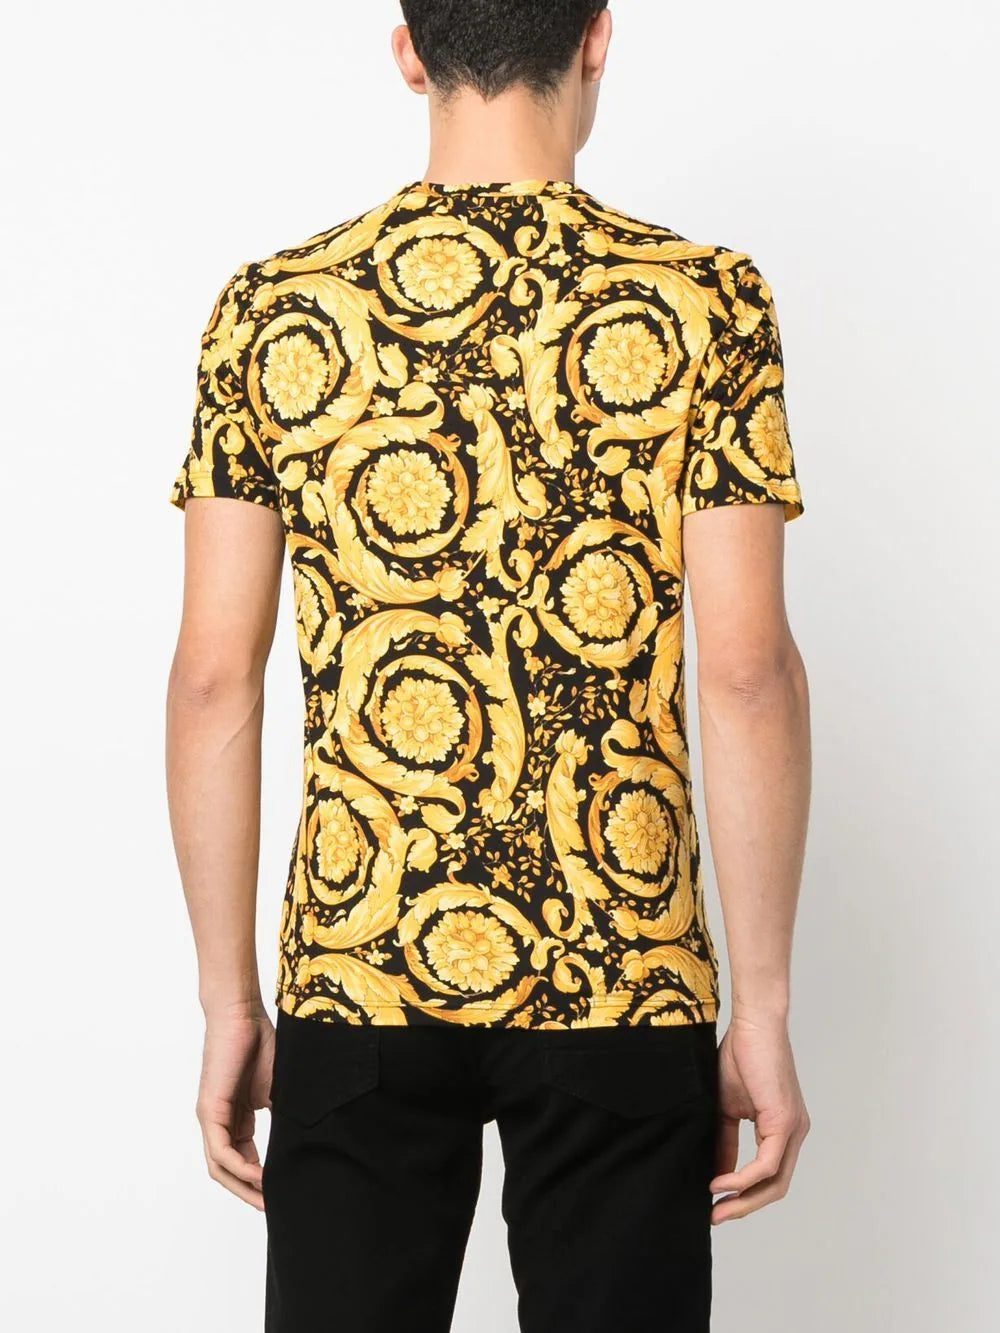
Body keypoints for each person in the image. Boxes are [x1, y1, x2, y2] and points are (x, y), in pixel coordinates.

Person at [166, 2, 811, 1328]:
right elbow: (747, 671)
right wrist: (764, 1006)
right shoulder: (706, 301)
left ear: (409, 49)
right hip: (622, 964)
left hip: (362, 958)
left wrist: (231, 999)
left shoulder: (276, 310)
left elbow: (215, 677)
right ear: (598, 36)